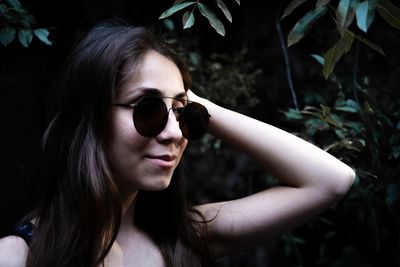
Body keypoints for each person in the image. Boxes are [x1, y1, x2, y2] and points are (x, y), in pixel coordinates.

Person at [0, 19, 355, 267]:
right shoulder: (18, 257)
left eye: (182, 113)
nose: (173, 132)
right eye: (147, 108)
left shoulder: (185, 237)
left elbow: (331, 179)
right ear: (90, 117)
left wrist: (197, 104)